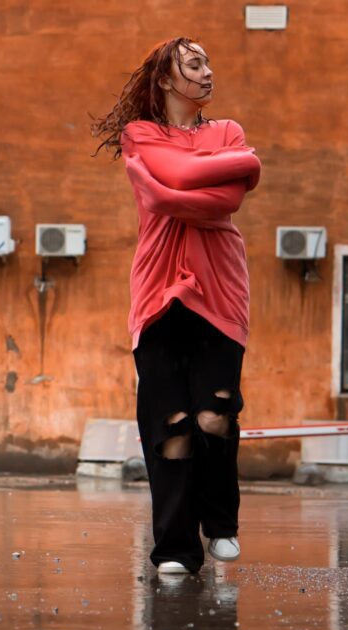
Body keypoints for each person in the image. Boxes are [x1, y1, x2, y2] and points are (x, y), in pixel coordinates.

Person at [91, 36, 261, 574]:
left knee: (214, 415)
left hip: (222, 287)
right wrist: (229, 169)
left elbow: (226, 201)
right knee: (173, 427)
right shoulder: (140, 134)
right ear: (166, 78)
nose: (208, 71)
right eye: (195, 64)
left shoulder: (226, 130)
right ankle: (175, 549)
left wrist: (164, 195)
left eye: (209, 61)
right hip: (158, 288)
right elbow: (198, 180)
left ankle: (221, 524)